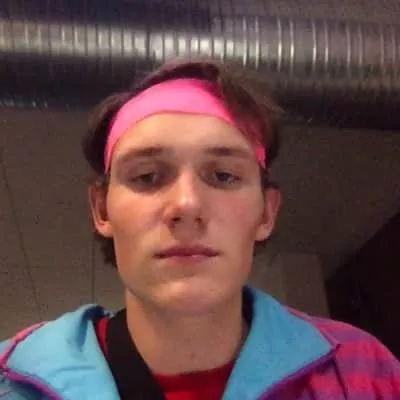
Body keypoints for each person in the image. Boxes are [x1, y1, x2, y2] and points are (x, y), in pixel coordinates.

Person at [0, 59, 399, 400]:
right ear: (102, 209)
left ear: (266, 213)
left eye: (224, 176)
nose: (186, 205)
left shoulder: (365, 372)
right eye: (147, 177)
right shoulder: (11, 382)